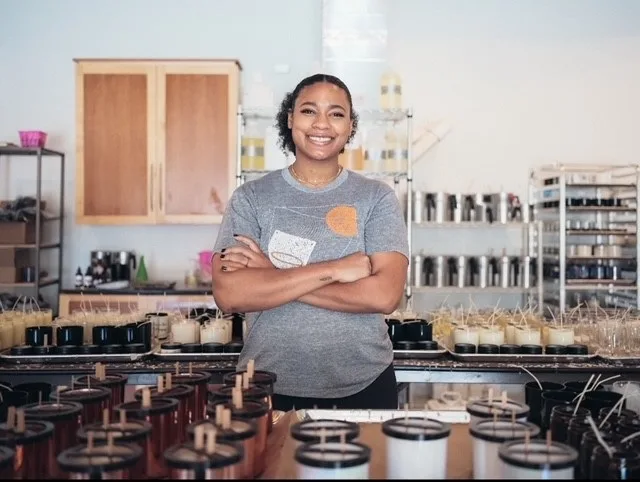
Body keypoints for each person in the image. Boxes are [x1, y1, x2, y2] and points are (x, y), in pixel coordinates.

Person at [211, 73, 409, 411]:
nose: (322, 124)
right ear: (290, 119)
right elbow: (230, 294)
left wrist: (271, 273)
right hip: (265, 386)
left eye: (336, 113)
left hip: (364, 384)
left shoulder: (377, 198)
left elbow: (385, 295)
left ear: (350, 126)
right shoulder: (250, 198)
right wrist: (336, 269)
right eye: (308, 111)